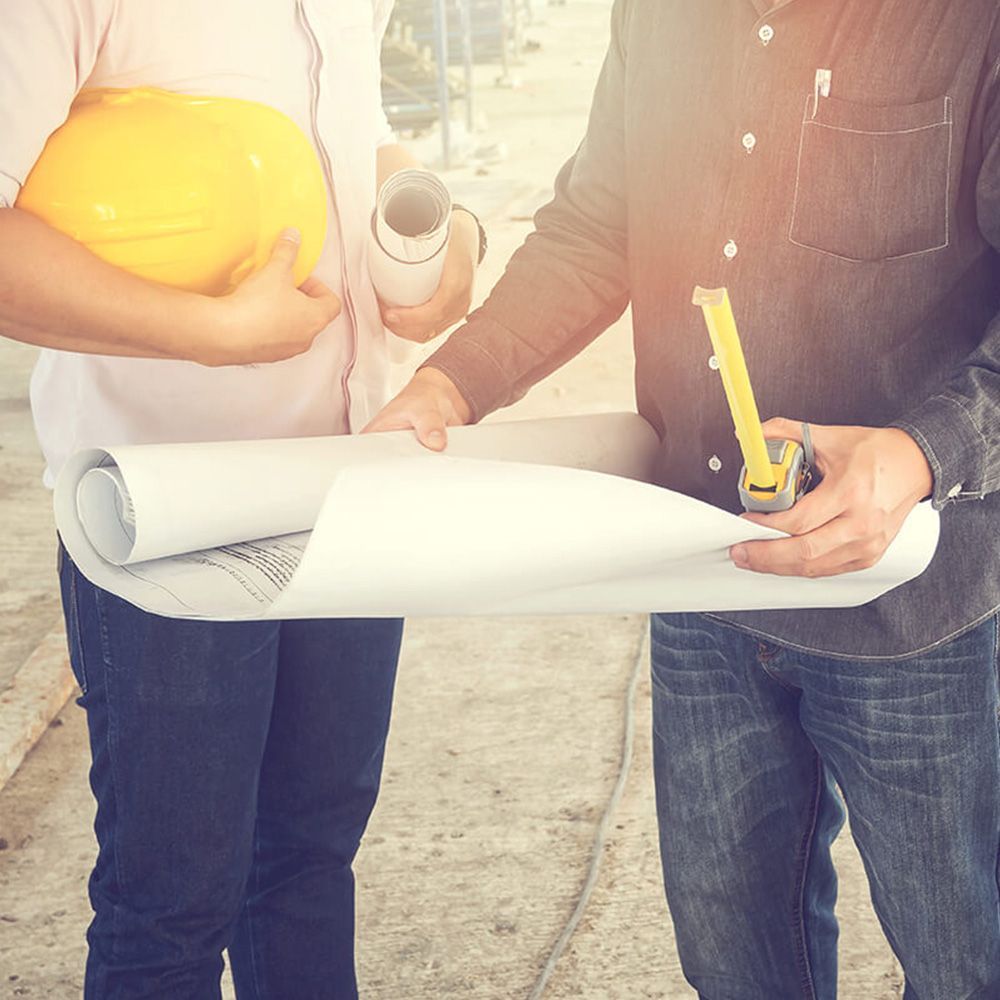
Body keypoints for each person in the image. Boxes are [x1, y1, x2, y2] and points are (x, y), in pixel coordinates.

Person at [366, 1, 1000, 997]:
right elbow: (594, 231)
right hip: (704, 583)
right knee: (734, 962)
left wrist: (923, 454)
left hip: (912, 607)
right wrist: (452, 383)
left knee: (965, 958)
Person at [0, 1, 481, 997]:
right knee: (170, 905)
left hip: (349, 487)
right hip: (170, 512)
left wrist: (450, 227)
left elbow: (346, 129)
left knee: (308, 864)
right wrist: (206, 333)